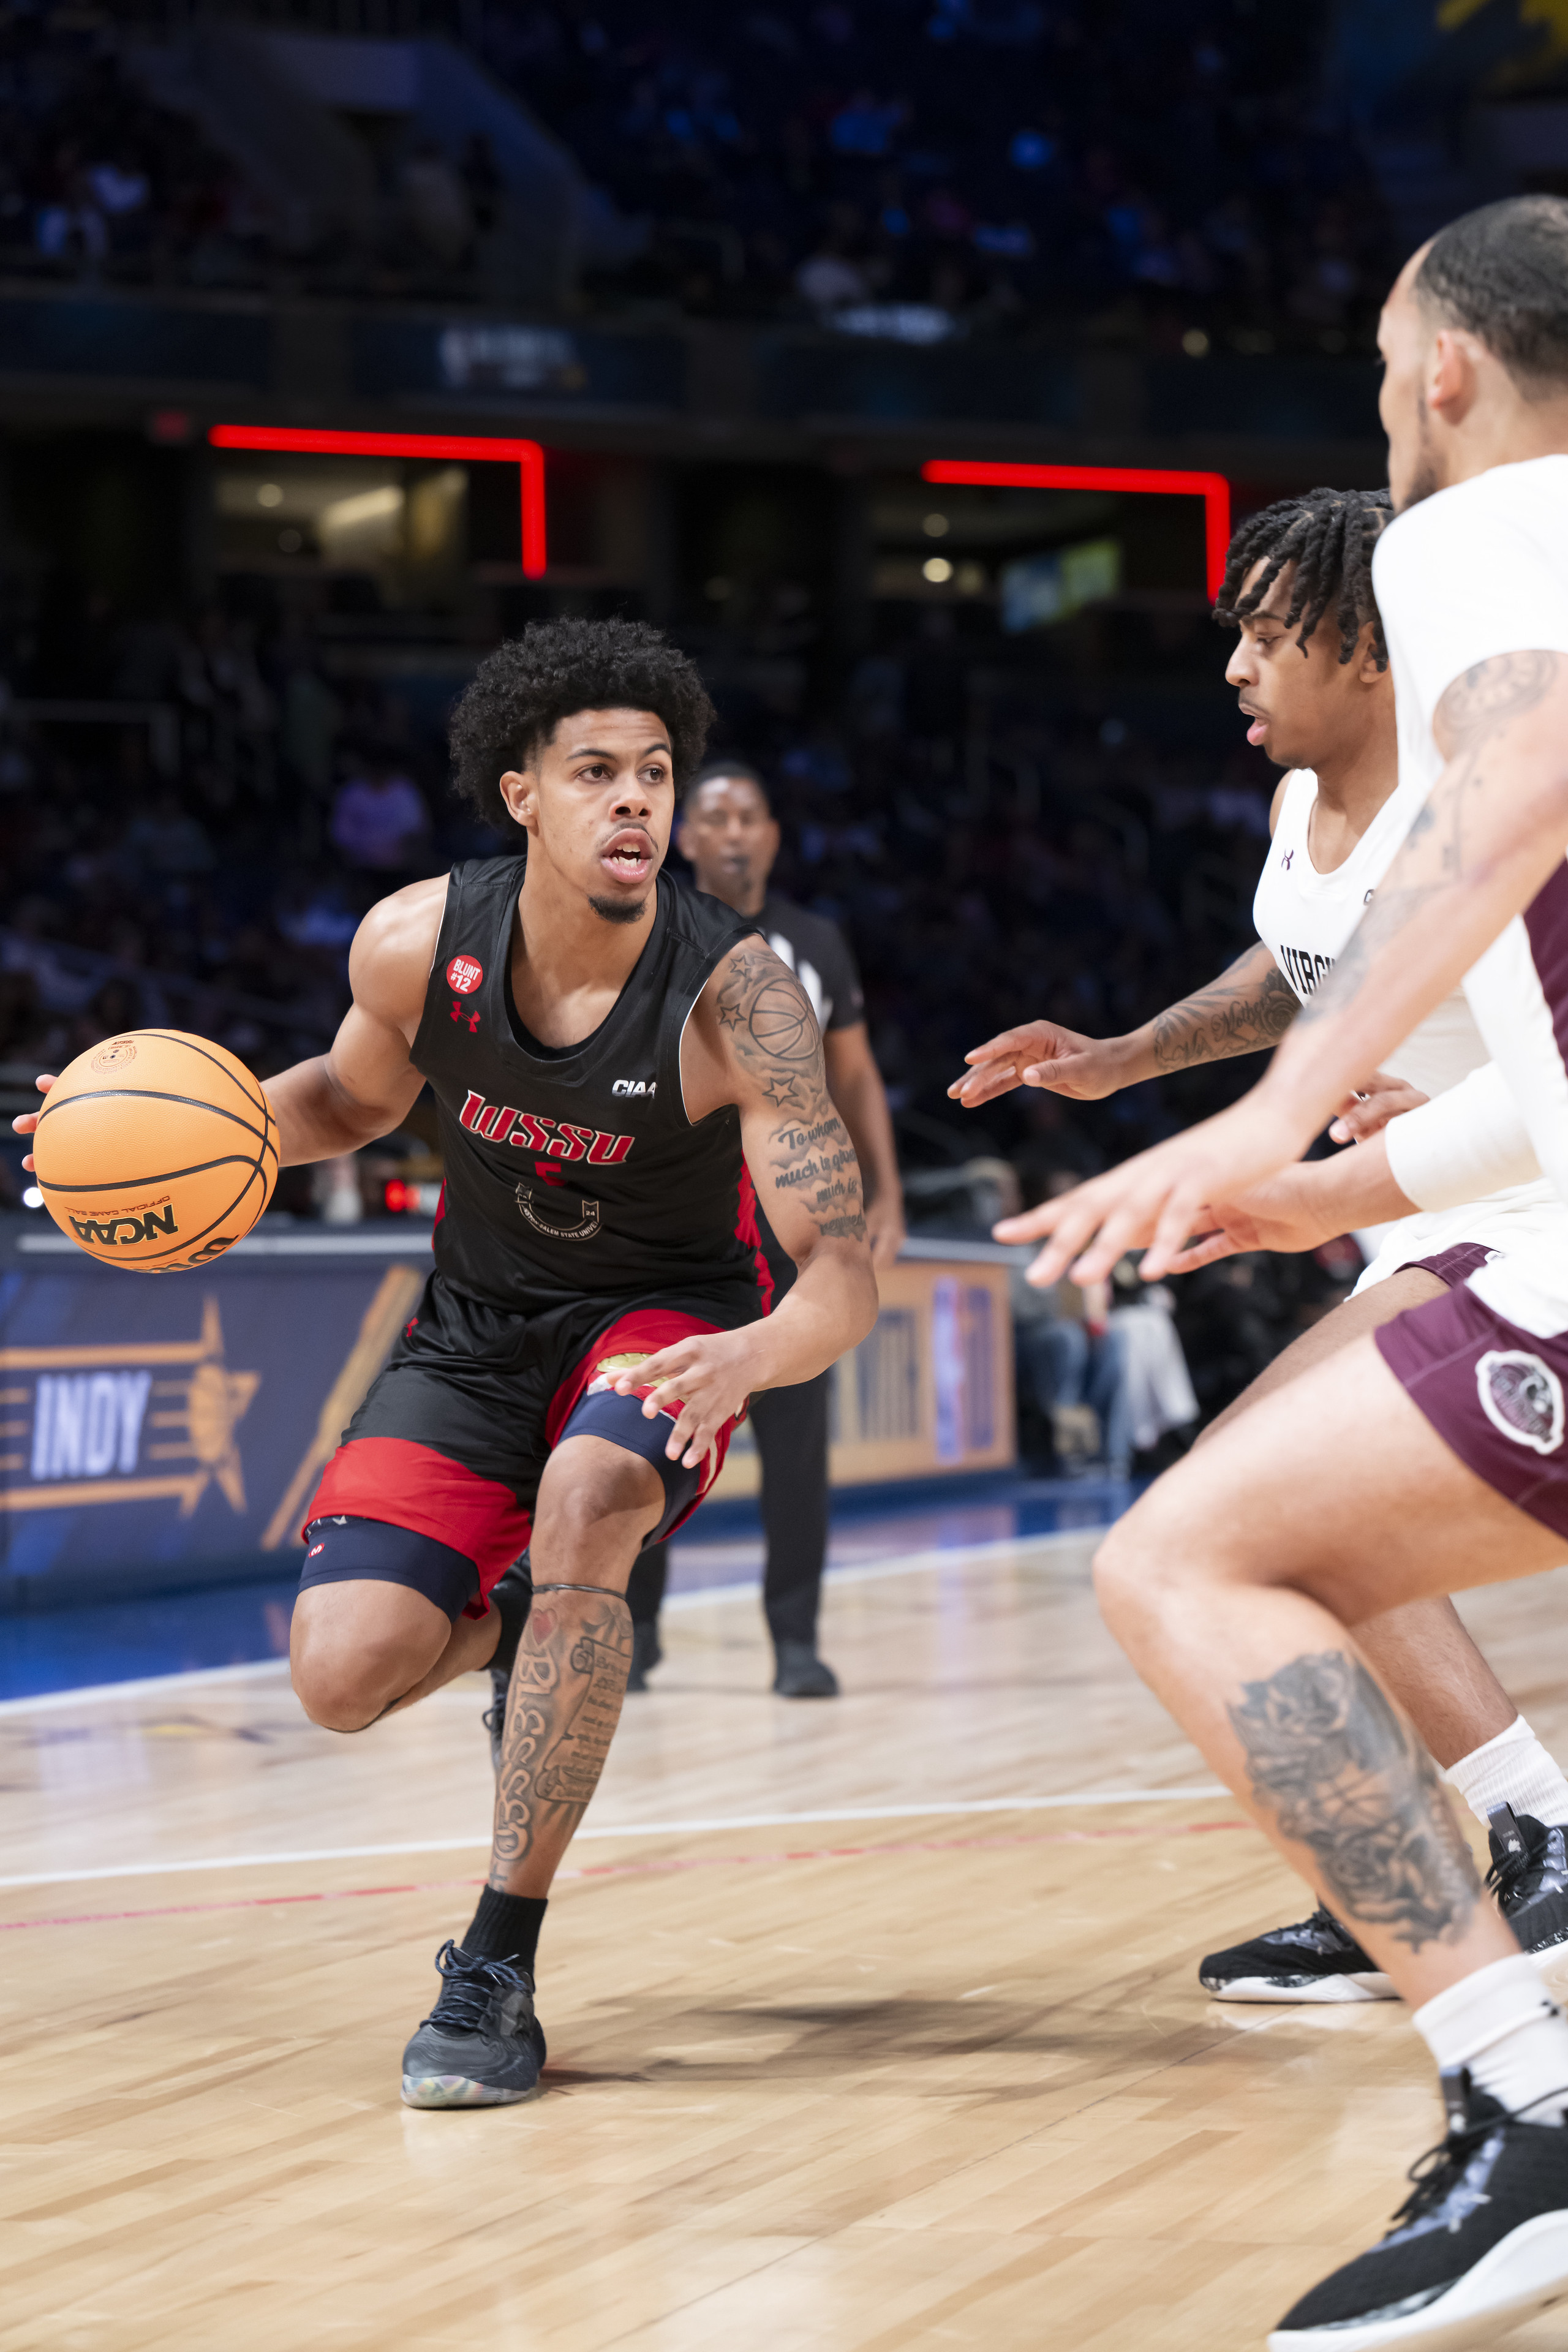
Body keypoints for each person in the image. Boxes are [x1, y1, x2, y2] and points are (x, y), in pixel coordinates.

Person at [19, 618, 877, 2111]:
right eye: (596, 772)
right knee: (344, 1677)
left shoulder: (738, 996)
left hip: (661, 1324)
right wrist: (134, 1144)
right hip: (473, 1334)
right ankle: (539, 1631)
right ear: (519, 796)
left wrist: (751, 1355)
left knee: (596, 1490)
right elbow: (343, 1105)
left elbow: (843, 1270)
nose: (637, 803)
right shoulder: (418, 942)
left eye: (656, 774)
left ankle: (496, 1961)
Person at [991, 197, 1568, 2345]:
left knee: (1188, 1567)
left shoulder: (1486, 526)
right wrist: (1317, 1194)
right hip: (1497, 1206)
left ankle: (1525, 2096)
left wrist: (1268, 1117)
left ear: (1440, 372)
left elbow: (1514, 794)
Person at [955, 484, 1568, 2005]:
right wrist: (1121, 1056)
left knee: (1245, 1510)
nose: (1232, 661)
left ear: (1368, 651)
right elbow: (1302, 969)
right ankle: (1446, 1859)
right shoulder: (1303, 798)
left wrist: (1460, 1106)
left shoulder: (1476, 789)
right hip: (1410, 1211)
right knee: (1276, 1520)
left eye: (1268, 631)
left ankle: (1506, 1845)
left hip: (1509, 1196)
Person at [624, 757, 907, 1698]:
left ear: (774, 837)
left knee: (795, 1449)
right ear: (685, 838)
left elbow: (857, 1077)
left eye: (751, 817)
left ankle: (795, 1640)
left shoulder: (817, 942)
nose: (735, 832)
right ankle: (642, 1631)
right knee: (651, 1428)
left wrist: (886, 1196)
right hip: (678, 1223)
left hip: (790, 1227)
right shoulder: (647, 933)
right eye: (717, 818)